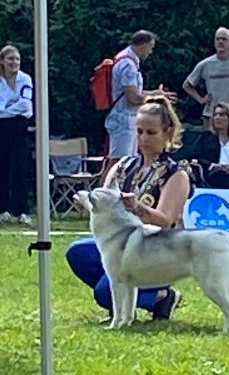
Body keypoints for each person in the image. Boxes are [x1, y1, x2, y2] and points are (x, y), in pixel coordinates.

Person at [66, 95, 193, 321]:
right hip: (121, 244)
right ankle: (125, 301)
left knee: (104, 292)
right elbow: (103, 203)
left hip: (158, 250)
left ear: (168, 133)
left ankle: (161, 295)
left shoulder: (177, 174)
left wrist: (137, 207)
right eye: (139, 131)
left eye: (151, 132)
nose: (143, 138)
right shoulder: (123, 165)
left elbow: (165, 220)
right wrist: (87, 203)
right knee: (77, 252)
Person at [103, 30, 160, 177]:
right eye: (150, 47)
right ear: (144, 44)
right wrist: (155, 100)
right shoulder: (128, 65)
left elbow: (134, 92)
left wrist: (154, 93)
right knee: (117, 162)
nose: (150, 51)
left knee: (126, 162)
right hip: (123, 121)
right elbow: (133, 98)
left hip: (127, 120)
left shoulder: (126, 59)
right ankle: (100, 195)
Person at [0, 44, 34, 225]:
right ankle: (2, 209)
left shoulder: (25, 79)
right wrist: (10, 110)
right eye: (10, 59)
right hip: (1, 127)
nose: (14, 62)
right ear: (2, 61)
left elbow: (25, 106)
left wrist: (6, 110)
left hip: (19, 127)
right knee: (2, 168)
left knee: (20, 168)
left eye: (17, 59)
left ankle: (21, 211)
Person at [190, 102, 229, 189]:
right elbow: (197, 157)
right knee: (220, 175)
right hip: (214, 172)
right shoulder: (205, 137)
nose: (217, 118)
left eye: (221, 115)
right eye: (215, 115)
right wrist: (213, 165)